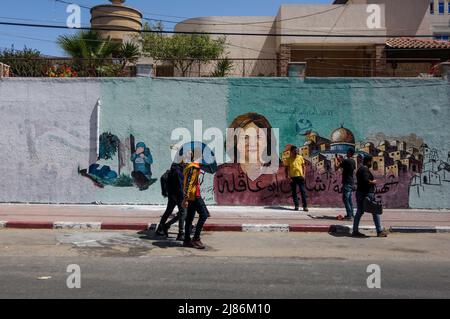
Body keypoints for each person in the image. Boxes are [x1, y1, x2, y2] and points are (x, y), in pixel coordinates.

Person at [352, 155, 388, 238]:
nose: (371, 163)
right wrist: (373, 182)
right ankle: (379, 231)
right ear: (368, 161)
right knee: (375, 212)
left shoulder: (360, 169)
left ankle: (355, 230)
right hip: (367, 194)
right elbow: (365, 180)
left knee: (359, 212)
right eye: (371, 161)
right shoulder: (365, 169)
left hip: (360, 193)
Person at [182, 149, 210, 249]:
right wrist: (185, 199)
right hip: (194, 196)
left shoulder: (191, 167)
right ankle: (196, 238)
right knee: (204, 215)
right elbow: (189, 183)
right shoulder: (194, 167)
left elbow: (191, 183)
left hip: (191, 196)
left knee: (189, 218)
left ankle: (186, 240)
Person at [156, 161, 186, 241]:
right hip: (179, 195)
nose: (186, 163)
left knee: (168, 211)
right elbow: (180, 186)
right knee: (183, 213)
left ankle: (160, 228)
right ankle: (181, 233)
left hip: (172, 194)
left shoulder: (173, 169)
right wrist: (184, 197)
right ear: (182, 162)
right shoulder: (178, 172)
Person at [284, 145, 308, 212]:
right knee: (294, 192)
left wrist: (304, 175)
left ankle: (305, 206)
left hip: (300, 177)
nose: (296, 152)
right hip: (292, 178)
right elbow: (286, 169)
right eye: (294, 151)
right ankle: (296, 205)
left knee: (303, 191)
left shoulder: (300, 157)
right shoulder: (288, 159)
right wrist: (288, 177)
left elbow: (304, 166)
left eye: (297, 151)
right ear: (291, 152)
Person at [335, 148, 356, 220]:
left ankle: (349, 216)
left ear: (349, 153)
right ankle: (351, 214)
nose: (346, 153)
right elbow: (348, 167)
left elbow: (336, 168)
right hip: (351, 182)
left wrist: (336, 161)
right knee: (349, 200)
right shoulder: (353, 161)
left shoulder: (346, 161)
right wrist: (341, 161)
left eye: (347, 151)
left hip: (346, 182)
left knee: (346, 199)